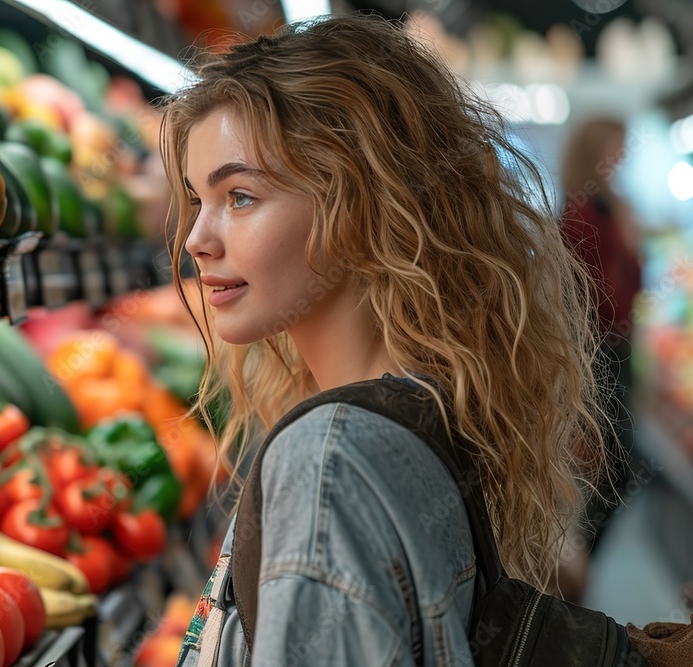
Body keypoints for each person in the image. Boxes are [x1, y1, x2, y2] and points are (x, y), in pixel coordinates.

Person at [158, 12, 612, 666]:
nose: (198, 238)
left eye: (240, 197)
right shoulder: (417, 412)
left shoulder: (328, 458)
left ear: (358, 205)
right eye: (197, 198)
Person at [558, 118, 644, 598]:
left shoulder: (606, 209)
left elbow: (631, 291)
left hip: (615, 351)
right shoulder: (581, 214)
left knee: (613, 469)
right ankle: (577, 569)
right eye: (616, 148)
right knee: (612, 468)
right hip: (597, 356)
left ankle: (578, 569)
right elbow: (606, 299)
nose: (622, 157)